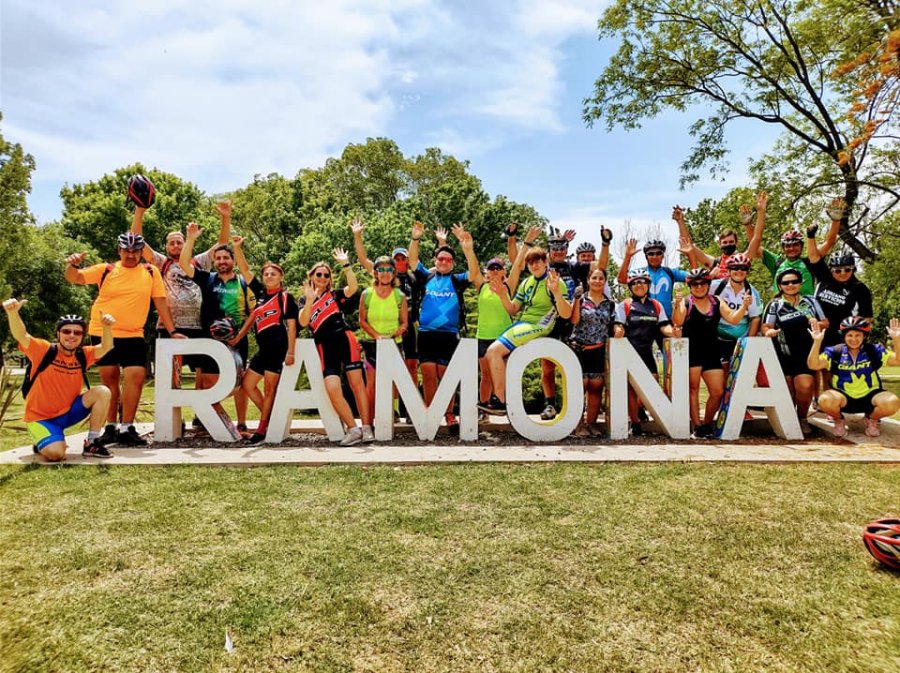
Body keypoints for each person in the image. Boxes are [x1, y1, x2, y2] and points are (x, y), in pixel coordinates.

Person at [64, 233, 179, 446]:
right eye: (126, 250)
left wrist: (172, 331)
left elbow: (161, 303)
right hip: (103, 331)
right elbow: (76, 277)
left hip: (134, 333)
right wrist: (72, 265)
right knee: (110, 381)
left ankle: (127, 428)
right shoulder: (106, 270)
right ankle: (110, 427)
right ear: (119, 250)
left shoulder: (151, 272)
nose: (131, 254)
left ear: (140, 253)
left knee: (135, 377)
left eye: (135, 251)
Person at [131, 199, 232, 382]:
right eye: (172, 243)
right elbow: (137, 242)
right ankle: (172, 411)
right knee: (171, 378)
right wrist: (140, 212)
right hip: (170, 327)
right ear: (167, 247)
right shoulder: (163, 263)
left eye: (179, 242)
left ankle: (200, 410)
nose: (176, 246)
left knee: (202, 374)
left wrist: (225, 218)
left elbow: (221, 245)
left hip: (197, 325)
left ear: (186, 243)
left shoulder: (198, 262)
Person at [5, 299, 115, 460]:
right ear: (58, 333)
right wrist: (12, 313)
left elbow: (106, 346)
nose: (71, 335)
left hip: (68, 412)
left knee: (103, 392)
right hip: (41, 418)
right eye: (66, 331)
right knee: (56, 454)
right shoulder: (43, 350)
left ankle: (92, 442)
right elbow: (21, 335)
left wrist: (106, 328)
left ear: (82, 337)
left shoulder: (82, 355)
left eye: (77, 333)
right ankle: (44, 440)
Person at [179, 223, 256, 434]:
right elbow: (184, 263)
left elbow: (254, 312)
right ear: (214, 261)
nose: (222, 261)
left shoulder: (243, 283)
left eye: (226, 258)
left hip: (237, 340)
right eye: (219, 258)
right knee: (207, 383)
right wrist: (190, 238)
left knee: (240, 383)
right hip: (210, 341)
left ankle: (241, 423)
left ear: (232, 261)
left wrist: (240, 335)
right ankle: (215, 423)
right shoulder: (207, 279)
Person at [480, 247, 573, 416]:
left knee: (493, 351)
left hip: (540, 325)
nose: (534, 265)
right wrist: (502, 295)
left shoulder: (555, 281)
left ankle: (500, 400)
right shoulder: (526, 282)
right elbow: (513, 309)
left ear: (546, 262)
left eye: (537, 261)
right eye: (530, 262)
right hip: (523, 324)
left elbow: (566, 313)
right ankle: (500, 400)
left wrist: (557, 293)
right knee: (494, 354)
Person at [408, 221, 480, 431]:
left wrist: (468, 250)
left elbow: (474, 272)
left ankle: (449, 414)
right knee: (429, 374)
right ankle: (432, 413)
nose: (444, 262)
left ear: (452, 263)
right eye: (440, 258)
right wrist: (415, 238)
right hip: (426, 334)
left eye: (448, 260)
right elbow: (413, 260)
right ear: (435, 260)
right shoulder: (427, 276)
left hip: (449, 335)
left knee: (446, 375)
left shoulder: (457, 280)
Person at [536, 226, 612, 420]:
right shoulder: (543, 268)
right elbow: (519, 261)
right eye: (555, 248)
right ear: (549, 250)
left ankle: (576, 410)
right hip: (549, 321)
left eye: (562, 248)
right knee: (547, 367)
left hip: (573, 323)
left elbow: (600, 266)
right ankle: (550, 405)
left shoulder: (574, 267)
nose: (559, 251)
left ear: (567, 250)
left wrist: (605, 243)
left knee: (574, 370)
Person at [298, 249, 372, 446]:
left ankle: (366, 427)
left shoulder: (335, 294)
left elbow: (353, 287)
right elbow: (304, 322)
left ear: (329, 278)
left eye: (326, 275)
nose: (322, 277)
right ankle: (353, 429)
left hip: (344, 340)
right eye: (318, 274)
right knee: (332, 388)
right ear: (311, 276)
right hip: (324, 346)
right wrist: (310, 301)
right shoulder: (305, 300)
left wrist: (346, 265)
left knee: (357, 385)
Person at [671, 267, 754, 438]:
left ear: (708, 284)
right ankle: (697, 425)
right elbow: (677, 321)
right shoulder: (686, 302)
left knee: (717, 391)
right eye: (695, 284)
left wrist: (745, 306)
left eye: (703, 283)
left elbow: (733, 318)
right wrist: (677, 305)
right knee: (692, 389)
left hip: (711, 351)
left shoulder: (716, 301)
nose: (699, 287)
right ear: (690, 286)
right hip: (691, 352)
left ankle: (707, 423)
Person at [230, 249, 299, 445]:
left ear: (281, 277)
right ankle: (271, 419)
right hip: (263, 350)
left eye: (273, 273)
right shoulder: (260, 293)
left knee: (270, 390)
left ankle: (262, 429)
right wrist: (237, 247)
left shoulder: (286, 297)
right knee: (247, 384)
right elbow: (243, 269)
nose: (269, 276)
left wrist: (291, 352)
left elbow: (292, 326)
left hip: (278, 349)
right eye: (266, 273)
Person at [351, 219, 421, 387]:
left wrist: (435, 241)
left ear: (407, 260)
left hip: (409, 326)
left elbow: (440, 270)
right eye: (395, 258)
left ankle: (411, 406)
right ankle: (394, 409)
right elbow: (362, 258)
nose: (399, 261)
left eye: (402, 258)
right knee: (386, 371)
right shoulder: (384, 274)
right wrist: (357, 236)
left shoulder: (416, 275)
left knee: (410, 366)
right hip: (386, 328)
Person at [472, 228, 534, 413]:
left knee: (505, 375)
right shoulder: (481, 285)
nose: (495, 270)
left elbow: (517, 265)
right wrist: (466, 244)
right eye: (492, 268)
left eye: (499, 267)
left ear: (503, 271)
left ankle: (510, 410)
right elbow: (472, 264)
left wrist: (527, 243)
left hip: (504, 337)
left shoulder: (509, 285)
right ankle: (483, 410)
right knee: (486, 376)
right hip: (483, 337)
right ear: (487, 272)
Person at [808, 317, 900, 438]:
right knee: (824, 399)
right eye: (850, 335)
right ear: (844, 336)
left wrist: (897, 340)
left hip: (870, 396)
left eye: (858, 335)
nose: (854, 339)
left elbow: (898, 361)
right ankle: (838, 419)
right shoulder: (836, 351)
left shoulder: (874, 350)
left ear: (864, 336)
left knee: (892, 402)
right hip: (843, 397)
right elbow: (813, 364)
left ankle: (871, 419)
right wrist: (817, 342)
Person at [761, 268, 828, 434]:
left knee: (805, 386)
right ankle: (788, 424)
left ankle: (802, 418)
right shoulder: (775, 304)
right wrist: (768, 332)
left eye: (794, 281)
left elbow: (825, 322)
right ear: (780, 286)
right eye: (786, 282)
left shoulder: (811, 302)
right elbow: (766, 326)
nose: (790, 285)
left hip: (806, 353)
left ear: (800, 283)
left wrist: (816, 324)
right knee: (789, 390)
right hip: (783, 353)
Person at [612, 268, 675, 436]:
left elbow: (664, 325)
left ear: (648, 284)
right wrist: (618, 329)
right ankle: (635, 422)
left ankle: (639, 408)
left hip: (647, 352)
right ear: (631, 286)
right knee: (632, 390)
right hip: (630, 352)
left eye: (642, 282)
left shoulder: (656, 305)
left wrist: (673, 332)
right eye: (635, 283)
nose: (639, 285)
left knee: (652, 384)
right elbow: (618, 323)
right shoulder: (624, 305)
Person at [755, 198, 845, 295]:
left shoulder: (810, 260)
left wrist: (836, 220)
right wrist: (760, 213)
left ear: (802, 246)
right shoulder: (776, 262)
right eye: (788, 246)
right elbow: (755, 244)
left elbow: (830, 242)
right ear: (783, 248)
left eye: (795, 245)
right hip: (781, 308)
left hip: (806, 308)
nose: (791, 248)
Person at [358, 255, 409, 420]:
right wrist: (377, 336)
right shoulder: (366, 294)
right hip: (372, 345)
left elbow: (404, 324)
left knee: (394, 380)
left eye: (389, 270)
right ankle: (370, 419)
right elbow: (362, 321)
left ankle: (393, 412)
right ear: (375, 272)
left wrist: (392, 335)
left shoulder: (399, 296)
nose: (385, 273)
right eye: (381, 269)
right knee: (371, 384)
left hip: (394, 344)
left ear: (394, 273)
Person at [570, 267, 616, 435]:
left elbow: (613, 324)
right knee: (580, 386)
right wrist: (575, 300)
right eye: (594, 278)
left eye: (601, 278)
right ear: (588, 280)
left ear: (605, 281)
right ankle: (577, 425)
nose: (597, 281)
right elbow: (574, 320)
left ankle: (592, 423)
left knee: (596, 386)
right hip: (579, 348)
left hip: (599, 350)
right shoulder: (581, 299)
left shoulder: (610, 303)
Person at [680, 192, 767, 278]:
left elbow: (757, 238)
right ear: (719, 244)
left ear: (737, 243)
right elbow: (688, 245)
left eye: (731, 242)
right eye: (725, 242)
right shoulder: (714, 263)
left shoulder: (743, 259)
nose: (728, 245)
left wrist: (759, 213)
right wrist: (680, 221)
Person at [709, 253, 763, 370]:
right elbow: (697, 290)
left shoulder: (752, 292)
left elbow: (755, 318)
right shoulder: (716, 286)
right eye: (735, 268)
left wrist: (749, 342)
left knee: (738, 374)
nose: (739, 271)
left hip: (740, 339)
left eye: (743, 268)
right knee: (721, 374)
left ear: (747, 271)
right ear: (728, 270)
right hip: (718, 338)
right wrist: (709, 277)